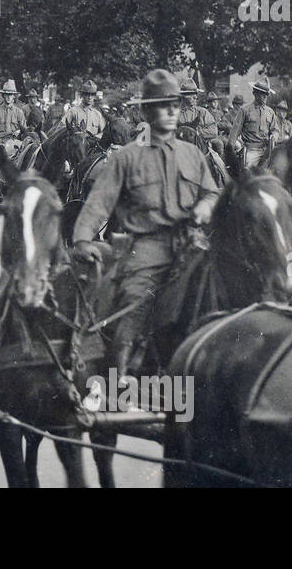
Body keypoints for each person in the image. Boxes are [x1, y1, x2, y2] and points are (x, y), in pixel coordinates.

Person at [71, 69, 220, 377]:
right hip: (145, 250)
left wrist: (205, 207)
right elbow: (99, 202)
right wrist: (83, 239)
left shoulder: (192, 154)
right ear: (148, 110)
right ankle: (119, 382)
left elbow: (212, 194)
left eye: (175, 105)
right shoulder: (127, 157)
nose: (171, 111)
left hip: (192, 245)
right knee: (132, 307)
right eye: (163, 105)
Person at [228, 77, 281, 170]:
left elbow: (275, 130)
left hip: (267, 151)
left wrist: (273, 137)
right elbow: (234, 132)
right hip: (251, 151)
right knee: (248, 174)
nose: (265, 96)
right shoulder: (245, 110)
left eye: (267, 94)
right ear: (255, 93)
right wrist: (230, 152)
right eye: (262, 94)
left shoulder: (270, 112)